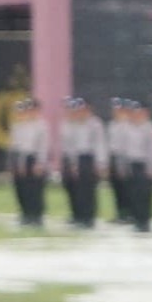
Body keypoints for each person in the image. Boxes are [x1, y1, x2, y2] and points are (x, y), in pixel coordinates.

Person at [112, 98, 152, 233]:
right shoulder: (126, 128)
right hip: (130, 164)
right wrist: (121, 167)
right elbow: (122, 149)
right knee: (132, 194)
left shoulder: (150, 128)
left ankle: (145, 221)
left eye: (139, 111)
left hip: (144, 165)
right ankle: (136, 219)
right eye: (134, 111)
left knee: (145, 195)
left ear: (146, 112)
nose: (136, 114)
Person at [60, 94, 104, 228]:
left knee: (86, 189)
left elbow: (99, 144)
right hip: (71, 158)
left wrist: (101, 163)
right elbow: (67, 144)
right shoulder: (69, 123)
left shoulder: (94, 124)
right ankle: (77, 215)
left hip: (87, 158)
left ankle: (88, 217)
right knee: (72, 188)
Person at [8, 93, 49, 229]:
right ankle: (26, 213)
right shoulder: (20, 124)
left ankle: (37, 216)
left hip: (34, 158)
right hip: (21, 158)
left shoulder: (41, 125)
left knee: (35, 189)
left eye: (31, 109)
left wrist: (40, 163)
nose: (29, 112)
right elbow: (15, 144)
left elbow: (43, 146)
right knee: (22, 188)